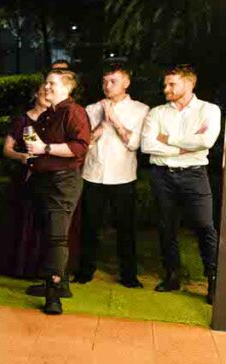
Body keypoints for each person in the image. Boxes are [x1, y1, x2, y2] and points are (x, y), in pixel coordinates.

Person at [141, 64, 221, 304]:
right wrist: (186, 146)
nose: (166, 88)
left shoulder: (209, 110)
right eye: (165, 84)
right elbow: (147, 145)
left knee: (205, 226)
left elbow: (206, 140)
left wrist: (168, 140)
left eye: (172, 84)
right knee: (167, 227)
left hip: (195, 175)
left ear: (189, 84)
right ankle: (172, 275)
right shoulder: (157, 113)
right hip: (162, 175)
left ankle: (213, 279)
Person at [74, 64, 149, 288]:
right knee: (89, 226)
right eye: (105, 81)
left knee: (126, 228)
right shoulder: (91, 108)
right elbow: (83, 145)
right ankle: (85, 271)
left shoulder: (141, 109)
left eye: (113, 81)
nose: (107, 86)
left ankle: (128, 275)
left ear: (126, 83)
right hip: (92, 175)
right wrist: (101, 124)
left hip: (123, 177)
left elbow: (134, 144)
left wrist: (115, 120)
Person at [24, 70, 91, 315]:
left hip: (63, 182)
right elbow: (37, 150)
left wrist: (45, 148)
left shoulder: (74, 112)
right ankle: (58, 285)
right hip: (44, 181)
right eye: (46, 83)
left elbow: (79, 147)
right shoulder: (49, 115)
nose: (47, 87)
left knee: (56, 238)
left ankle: (54, 297)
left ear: (67, 88)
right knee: (49, 234)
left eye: (52, 83)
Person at [0, 84, 49, 279]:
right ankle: (18, 265)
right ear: (36, 94)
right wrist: (20, 157)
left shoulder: (54, 119)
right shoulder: (21, 120)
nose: (46, 95)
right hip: (23, 176)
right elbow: (7, 149)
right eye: (43, 92)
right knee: (21, 218)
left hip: (47, 176)